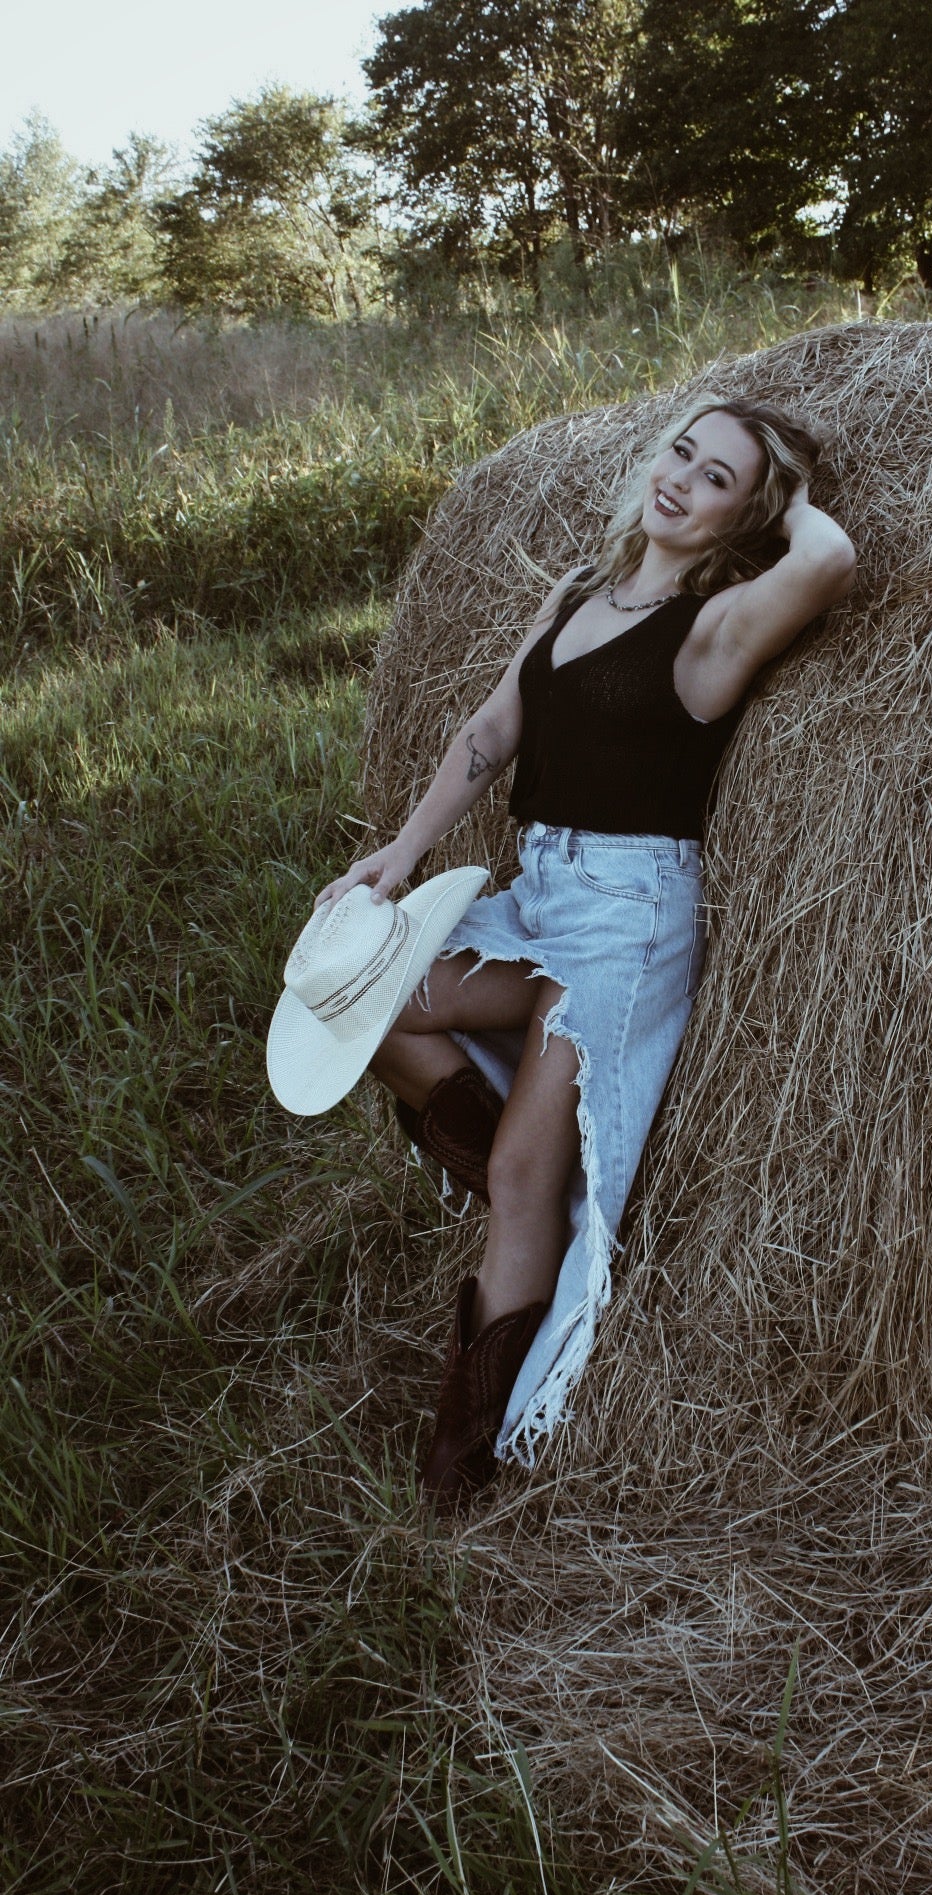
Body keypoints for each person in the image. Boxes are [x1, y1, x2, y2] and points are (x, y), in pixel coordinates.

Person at [315, 393, 856, 1505]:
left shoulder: (713, 632)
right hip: (539, 889)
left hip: (628, 910)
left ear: (745, 513)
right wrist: (401, 856)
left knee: (518, 1172)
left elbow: (832, 559)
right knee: (373, 996)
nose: (681, 481)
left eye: (717, 479)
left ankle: (464, 1454)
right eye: (681, 454)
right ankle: (536, 1208)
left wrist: (790, 501)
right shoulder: (579, 594)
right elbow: (493, 727)